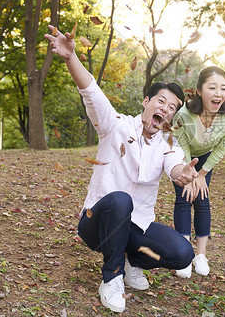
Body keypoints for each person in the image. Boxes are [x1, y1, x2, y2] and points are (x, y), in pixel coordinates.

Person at [44, 25, 198, 313]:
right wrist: (69, 58)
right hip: (95, 223)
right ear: (146, 102)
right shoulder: (114, 124)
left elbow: (175, 166)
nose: (165, 109)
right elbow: (91, 90)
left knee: (183, 253)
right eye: (160, 101)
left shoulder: (168, 142)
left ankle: (130, 261)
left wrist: (183, 174)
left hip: (134, 226)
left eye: (172, 107)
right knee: (120, 199)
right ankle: (112, 277)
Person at [172, 66, 225, 277]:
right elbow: (181, 143)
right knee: (184, 197)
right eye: (212, 87)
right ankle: (183, 255)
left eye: (223, 88)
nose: (219, 93)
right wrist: (188, 172)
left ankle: (200, 255)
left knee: (202, 198)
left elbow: (222, 147)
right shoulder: (183, 114)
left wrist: (201, 174)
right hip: (182, 155)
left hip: (205, 158)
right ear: (200, 91)